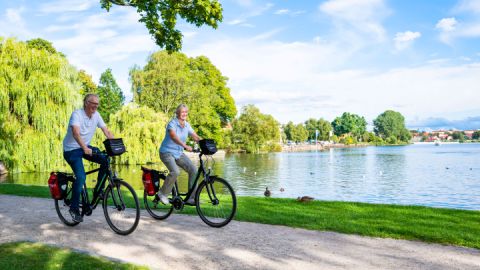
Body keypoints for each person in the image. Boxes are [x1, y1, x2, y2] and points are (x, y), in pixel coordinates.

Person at [63, 94, 114, 222]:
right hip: (71, 149)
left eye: (97, 104)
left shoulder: (96, 115)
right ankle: (74, 208)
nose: (96, 106)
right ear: (86, 102)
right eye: (93, 103)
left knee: (105, 160)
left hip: (85, 147)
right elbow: (76, 133)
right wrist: (84, 148)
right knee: (81, 176)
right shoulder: (77, 115)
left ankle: (98, 190)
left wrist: (116, 144)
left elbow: (106, 131)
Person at [157, 104, 201, 205]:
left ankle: (191, 198)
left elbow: (195, 136)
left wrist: (206, 143)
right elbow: (173, 136)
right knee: (175, 171)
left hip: (178, 153)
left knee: (194, 170)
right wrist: (185, 146)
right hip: (166, 152)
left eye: (186, 112)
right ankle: (162, 194)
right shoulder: (172, 123)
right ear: (177, 113)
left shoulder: (186, 125)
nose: (184, 114)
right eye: (182, 112)